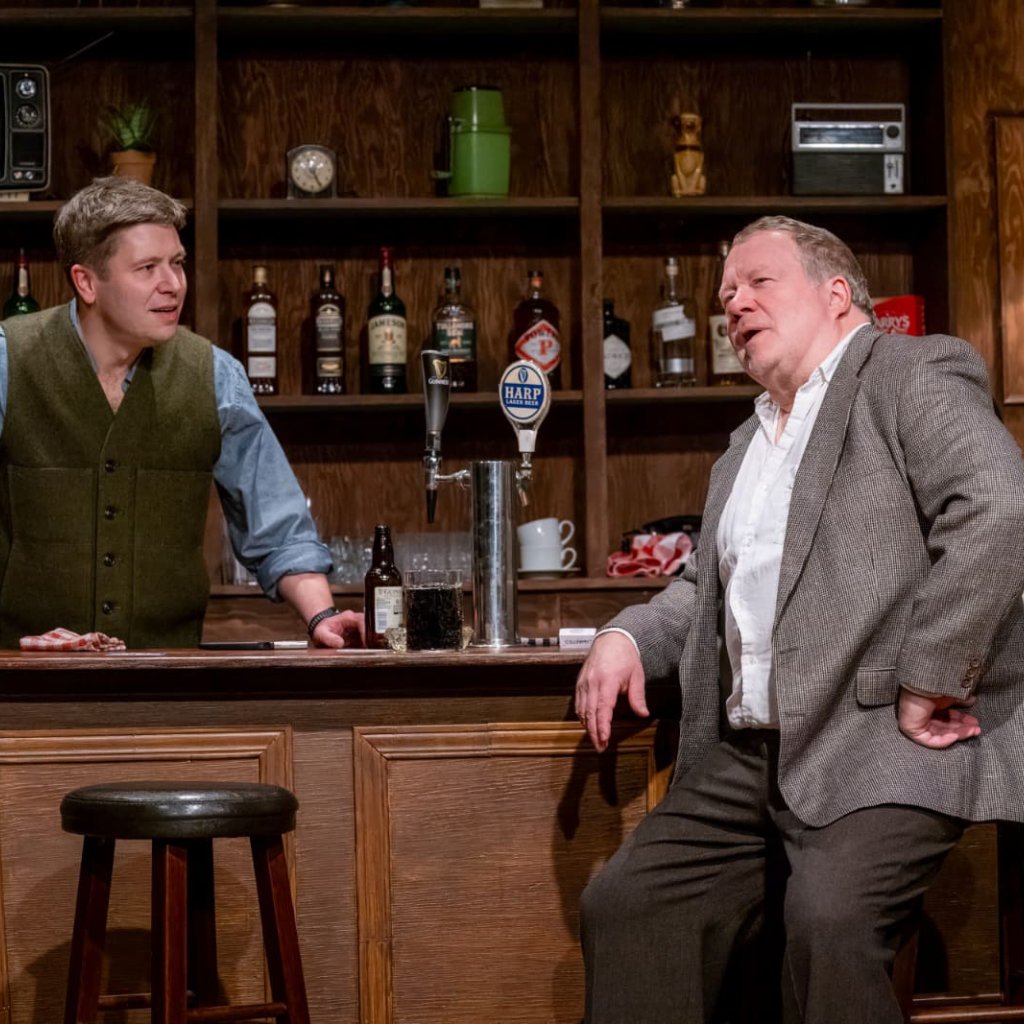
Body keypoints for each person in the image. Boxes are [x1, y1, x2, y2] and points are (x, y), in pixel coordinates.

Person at [574, 215, 1024, 1024]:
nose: (734, 304)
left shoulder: (910, 374)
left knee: (829, 924)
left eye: (757, 282)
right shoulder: (747, 442)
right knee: (627, 906)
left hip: (878, 739)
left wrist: (931, 675)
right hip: (754, 756)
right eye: (724, 296)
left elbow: (999, 510)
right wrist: (627, 634)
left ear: (838, 294)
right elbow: (709, 589)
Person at [0, 176, 362, 649]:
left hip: (169, 681)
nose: (172, 285)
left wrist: (322, 616)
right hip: (23, 686)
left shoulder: (215, 375)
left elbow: (277, 524)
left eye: (177, 264)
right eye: (147, 268)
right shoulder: (10, 361)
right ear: (86, 281)